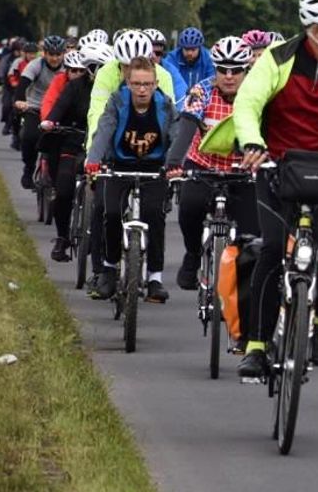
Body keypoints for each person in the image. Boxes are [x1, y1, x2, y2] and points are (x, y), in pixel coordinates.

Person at [199, 0, 318, 380]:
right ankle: (256, 346)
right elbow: (248, 102)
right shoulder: (276, 59)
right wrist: (252, 141)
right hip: (276, 168)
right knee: (268, 252)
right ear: (317, 30)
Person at [165, 36, 260, 297]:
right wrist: (174, 161)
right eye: (222, 70)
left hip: (242, 171)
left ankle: (243, 285)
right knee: (189, 208)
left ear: (246, 70)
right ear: (214, 69)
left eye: (236, 70)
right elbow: (186, 125)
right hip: (203, 165)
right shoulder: (202, 90)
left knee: (252, 234)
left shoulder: (257, 95)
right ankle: (193, 254)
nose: (229, 76)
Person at [84, 56, 177, 303]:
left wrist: (176, 164)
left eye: (147, 83)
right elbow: (104, 129)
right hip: (119, 166)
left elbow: (176, 135)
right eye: (136, 84)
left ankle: (155, 278)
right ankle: (109, 269)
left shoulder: (165, 105)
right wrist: (93, 159)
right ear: (128, 82)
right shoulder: (117, 101)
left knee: (154, 215)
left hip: (154, 169)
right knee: (111, 213)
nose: (142, 89)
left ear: (156, 83)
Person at [40, 49, 101, 260]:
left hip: (99, 148)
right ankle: (62, 237)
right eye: (92, 67)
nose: (96, 71)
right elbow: (59, 106)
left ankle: (100, 240)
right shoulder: (74, 87)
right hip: (72, 144)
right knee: (64, 190)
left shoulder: (113, 89)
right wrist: (51, 122)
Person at [14, 35, 68, 189]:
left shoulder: (67, 66)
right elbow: (22, 85)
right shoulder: (35, 65)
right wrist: (20, 101)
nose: (55, 58)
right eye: (51, 54)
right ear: (44, 53)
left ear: (63, 54)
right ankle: (28, 168)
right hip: (35, 107)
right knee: (29, 137)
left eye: (58, 54)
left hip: (57, 109)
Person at [162, 26, 215, 92]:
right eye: (186, 49)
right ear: (181, 47)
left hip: (203, 96)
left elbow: (211, 80)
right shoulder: (172, 58)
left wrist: (200, 92)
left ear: (199, 47)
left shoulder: (208, 58)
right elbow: (167, 79)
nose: (189, 53)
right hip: (178, 97)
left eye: (193, 49)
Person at [144, 28, 187, 104]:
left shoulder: (170, 70)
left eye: (158, 53)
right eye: (149, 52)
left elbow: (181, 93)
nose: (153, 56)